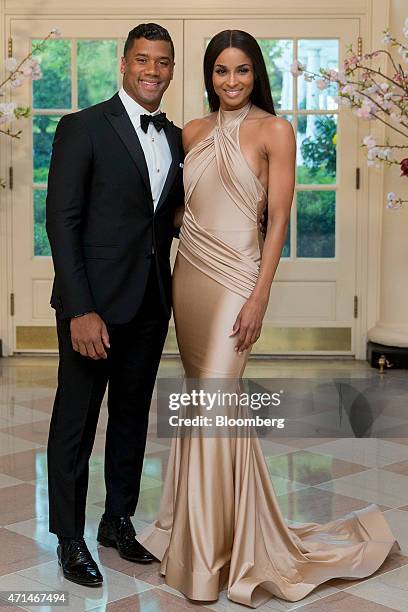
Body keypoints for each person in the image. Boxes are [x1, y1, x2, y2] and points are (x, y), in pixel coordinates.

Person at [137, 30, 399, 607]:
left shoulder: (275, 131)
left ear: (257, 75)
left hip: (238, 277)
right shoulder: (191, 132)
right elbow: (182, 205)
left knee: (217, 396)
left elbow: (277, 220)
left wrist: (259, 296)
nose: (232, 82)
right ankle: (202, 536)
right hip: (191, 273)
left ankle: (208, 557)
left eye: (243, 71)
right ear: (208, 75)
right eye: (222, 72)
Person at [46, 23, 184, 587]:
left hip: (151, 301)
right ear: (124, 65)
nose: (153, 71)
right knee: (75, 425)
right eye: (143, 60)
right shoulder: (82, 128)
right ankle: (69, 538)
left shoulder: (175, 137)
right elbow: (62, 219)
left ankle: (117, 521)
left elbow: (166, 219)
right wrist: (81, 308)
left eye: (163, 62)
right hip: (93, 309)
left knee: (131, 420)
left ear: (171, 70)